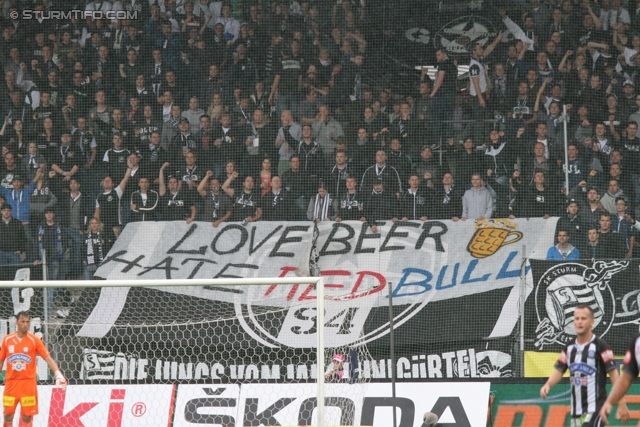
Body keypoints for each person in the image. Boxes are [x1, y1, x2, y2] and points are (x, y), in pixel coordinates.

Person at [541, 305, 628, 426]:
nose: (579, 322)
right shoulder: (569, 347)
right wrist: (548, 384)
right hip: (577, 411)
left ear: (592, 321)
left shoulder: (601, 346)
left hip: (596, 408)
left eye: (583, 318)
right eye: (576, 318)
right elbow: (560, 369)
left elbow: (614, 376)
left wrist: (621, 402)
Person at [0, 311, 67, 427]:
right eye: (22, 322)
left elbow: (48, 358)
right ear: (16, 322)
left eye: (27, 322)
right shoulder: (7, 340)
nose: (25, 324)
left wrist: (58, 374)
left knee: (26, 417)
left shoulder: (34, 340)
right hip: (11, 383)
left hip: (28, 384)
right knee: (8, 415)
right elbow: (1, 360)